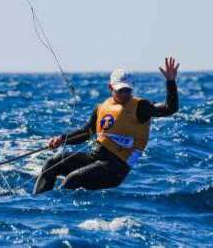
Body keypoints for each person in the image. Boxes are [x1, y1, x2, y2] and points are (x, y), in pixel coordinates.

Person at [33, 57, 179, 194]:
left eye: (128, 90)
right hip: (94, 158)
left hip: (116, 168)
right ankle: (37, 206)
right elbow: (86, 132)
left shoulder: (141, 107)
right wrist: (62, 139)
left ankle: (59, 213)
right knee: (52, 163)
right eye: (120, 90)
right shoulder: (102, 107)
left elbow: (170, 108)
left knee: (72, 179)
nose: (125, 94)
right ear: (111, 87)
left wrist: (170, 81)